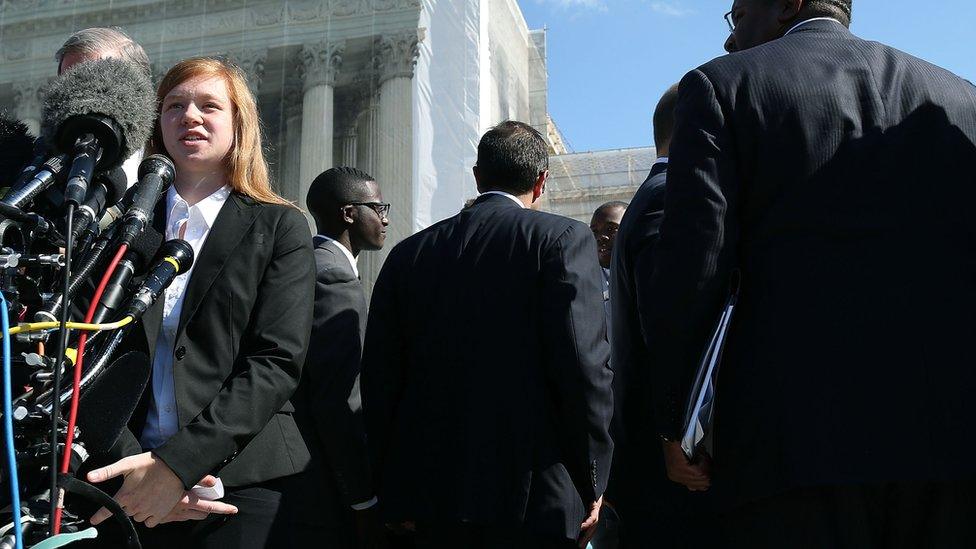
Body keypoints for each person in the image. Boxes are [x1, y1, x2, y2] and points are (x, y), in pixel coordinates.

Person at [647, 0, 976, 546]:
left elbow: (694, 269)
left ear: (786, 6)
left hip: (794, 442)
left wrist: (676, 418)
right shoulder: (960, 97)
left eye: (738, 14)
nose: (731, 38)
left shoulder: (720, 87)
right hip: (953, 439)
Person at [85, 56, 315, 548]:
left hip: (241, 483)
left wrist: (177, 466)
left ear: (239, 125)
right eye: (174, 105)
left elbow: (276, 361)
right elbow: (85, 353)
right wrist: (140, 472)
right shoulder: (119, 228)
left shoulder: (279, 226)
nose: (190, 116)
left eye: (209, 106)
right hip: (125, 480)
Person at [361, 120, 614, 549]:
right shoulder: (562, 238)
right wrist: (594, 476)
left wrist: (391, 489)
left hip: (427, 497)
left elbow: (380, 381)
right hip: (533, 496)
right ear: (542, 182)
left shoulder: (407, 255)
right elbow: (584, 367)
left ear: (477, 176)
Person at [607, 84, 721, 548]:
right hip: (672, 463)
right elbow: (666, 324)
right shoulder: (670, 196)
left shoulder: (654, 193)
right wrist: (672, 435)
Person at [285, 166, 389, 547]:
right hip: (316, 479)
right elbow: (338, 400)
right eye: (378, 208)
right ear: (349, 213)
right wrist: (363, 500)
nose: (385, 218)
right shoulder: (335, 278)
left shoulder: (300, 263)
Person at [56, 27, 151, 186]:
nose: (79, 95)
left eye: (97, 80)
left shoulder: (174, 164)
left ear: (138, 88)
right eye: (69, 83)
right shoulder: (38, 167)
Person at [590, 201, 627, 334]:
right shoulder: (586, 283)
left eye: (611, 229)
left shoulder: (651, 273)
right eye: (594, 232)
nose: (601, 237)